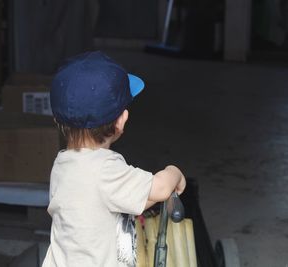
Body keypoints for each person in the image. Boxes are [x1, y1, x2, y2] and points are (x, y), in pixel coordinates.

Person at [42, 51, 186, 267]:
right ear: (121, 121)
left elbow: (109, 201)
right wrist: (175, 172)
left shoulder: (63, 165)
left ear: (57, 120)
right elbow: (161, 188)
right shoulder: (105, 170)